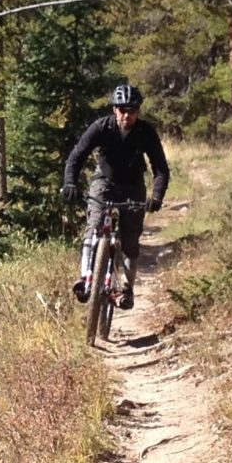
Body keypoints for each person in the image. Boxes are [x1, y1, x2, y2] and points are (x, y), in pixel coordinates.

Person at [63, 81, 170, 309]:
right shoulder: (101, 127)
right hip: (105, 181)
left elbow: (160, 167)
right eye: (122, 110)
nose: (126, 115)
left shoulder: (145, 132)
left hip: (133, 186)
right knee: (93, 227)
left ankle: (126, 289)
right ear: (114, 109)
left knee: (130, 240)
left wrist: (157, 196)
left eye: (132, 111)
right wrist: (70, 183)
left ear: (138, 112)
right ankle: (85, 279)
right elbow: (76, 156)